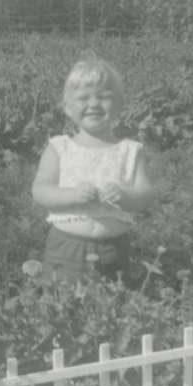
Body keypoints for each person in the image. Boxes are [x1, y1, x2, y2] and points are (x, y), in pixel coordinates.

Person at [32, 56, 155, 282]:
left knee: (112, 308)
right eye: (83, 98)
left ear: (118, 105)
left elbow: (146, 196)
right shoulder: (60, 147)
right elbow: (40, 190)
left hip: (115, 249)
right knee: (62, 305)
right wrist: (72, 195)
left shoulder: (130, 150)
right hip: (67, 248)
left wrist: (125, 196)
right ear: (67, 108)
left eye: (104, 97)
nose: (94, 104)